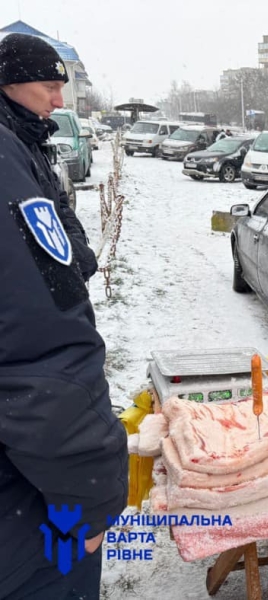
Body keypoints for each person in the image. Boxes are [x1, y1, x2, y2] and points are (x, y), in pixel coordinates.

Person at [0, 33, 128, 600]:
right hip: (25, 491)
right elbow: (42, 350)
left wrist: (76, 256)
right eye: (49, 86)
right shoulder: (4, 157)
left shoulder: (23, 143)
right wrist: (90, 494)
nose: (58, 100)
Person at [0, 33, 97, 282]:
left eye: (61, 88)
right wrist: (68, 264)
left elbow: (57, 203)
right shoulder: (7, 145)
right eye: (49, 87)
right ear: (10, 82)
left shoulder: (30, 135)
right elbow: (24, 242)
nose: (59, 101)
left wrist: (76, 249)